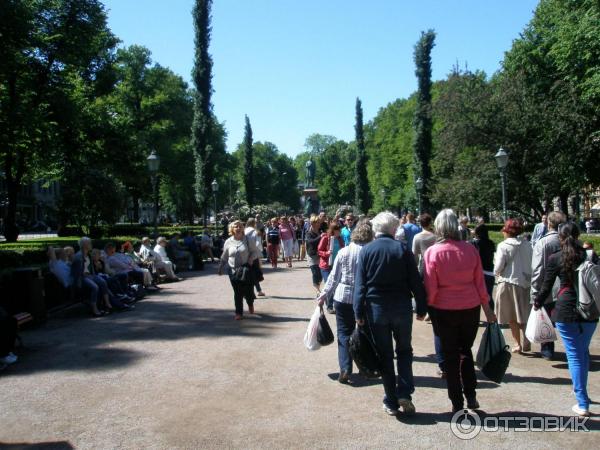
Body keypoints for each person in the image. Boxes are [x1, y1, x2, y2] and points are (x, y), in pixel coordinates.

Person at [423, 209, 496, 413]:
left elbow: (431, 286)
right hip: (470, 307)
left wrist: (428, 307)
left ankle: (457, 402)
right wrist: (487, 308)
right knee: (466, 351)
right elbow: (480, 283)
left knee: (450, 356)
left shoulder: (433, 252)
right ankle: (471, 395)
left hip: (444, 309)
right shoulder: (470, 249)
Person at [354, 212, 427, 416]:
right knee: (404, 351)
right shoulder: (402, 249)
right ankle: (404, 391)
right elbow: (415, 281)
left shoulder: (366, 251)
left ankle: (391, 401)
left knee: (385, 355)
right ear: (394, 229)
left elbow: (360, 285)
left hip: (376, 309)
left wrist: (358, 311)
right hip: (401, 307)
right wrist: (421, 307)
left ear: (376, 229)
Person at [533, 223, 597, 417]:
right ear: (578, 236)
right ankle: (580, 390)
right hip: (590, 311)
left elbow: (546, 285)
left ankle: (582, 401)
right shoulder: (590, 256)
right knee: (582, 352)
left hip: (565, 309)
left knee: (575, 355)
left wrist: (537, 302)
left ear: (560, 237)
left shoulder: (556, 258)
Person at [318, 223, 373, 384]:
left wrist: (323, 296)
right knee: (365, 333)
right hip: (364, 298)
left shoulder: (343, 252)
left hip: (343, 297)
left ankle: (345, 368)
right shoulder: (370, 252)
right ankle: (366, 367)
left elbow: (333, 278)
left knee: (343, 334)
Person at [530, 211, 566, 360]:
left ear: (548, 223)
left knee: (545, 320)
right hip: (566, 287)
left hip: (548, 288)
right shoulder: (571, 241)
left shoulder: (543, 242)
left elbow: (537, 269)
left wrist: (535, 291)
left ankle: (547, 349)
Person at [493, 219, 533, 353]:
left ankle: (517, 344)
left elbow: (498, 267)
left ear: (507, 231)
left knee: (511, 316)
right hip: (526, 283)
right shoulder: (528, 244)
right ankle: (527, 339)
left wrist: (496, 272)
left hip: (508, 282)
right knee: (524, 314)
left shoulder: (503, 246)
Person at [411, 213, 443, 376]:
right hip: (437, 265)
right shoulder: (436, 236)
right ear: (430, 223)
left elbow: (415, 255)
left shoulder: (417, 237)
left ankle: (424, 309)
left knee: (424, 290)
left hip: (424, 266)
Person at [219, 220, 261, 320]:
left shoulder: (247, 239)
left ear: (243, 228)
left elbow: (255, 252)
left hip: (246, 269)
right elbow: (224, 256)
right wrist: (220, 267)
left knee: (248, 291)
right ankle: (239, 313)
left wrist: (251, 259)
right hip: (232, 270)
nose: (238, 228)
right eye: (235, 226)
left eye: (240, 226)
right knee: (237, 291)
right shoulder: (228, 241)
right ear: (232, 229)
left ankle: (250, 303)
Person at [71, 237, 112, 316]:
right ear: (84, 245)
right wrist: (78, 286)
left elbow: (92, 268)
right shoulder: (78, 257)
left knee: (103, 282)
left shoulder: (88, 255)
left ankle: (107, 304)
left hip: (90, 275)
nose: (91, 245)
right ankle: (94, 309)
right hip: (83, 277)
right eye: (89, 243)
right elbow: (76, 274)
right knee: (95, 287)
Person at [318, 222, 344, 314]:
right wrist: (327, 253)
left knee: (336, 286)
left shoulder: (340, 239)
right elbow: (319, 250)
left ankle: (334, 304)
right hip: (326, 265)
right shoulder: (325, 238)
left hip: (337, 266)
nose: (340, 232)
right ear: (333, 230)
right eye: (338, 230)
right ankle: (329, 306)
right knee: (329, 285)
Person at [471, 224, 496, 310]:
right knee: (489, 297)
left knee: (475, 298)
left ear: (477, 232)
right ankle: (493, 320)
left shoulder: (474, 243)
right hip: (489, 273)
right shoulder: (491, 243)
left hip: (479, 273)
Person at [245, 218, 266, 297]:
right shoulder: (255, 232)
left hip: (244, 254)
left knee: (248, 274)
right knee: (255, 273)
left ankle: (252, 291)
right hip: (254, 255)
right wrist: (259, 253)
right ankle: (258, 291)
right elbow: (258, 245)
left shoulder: (243, 231)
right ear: (254, 224)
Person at [305, 215, 324, 295]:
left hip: (320, 255)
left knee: (320, 274)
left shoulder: (320, 232)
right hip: (312, 256)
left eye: (319, 222)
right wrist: (320, 237)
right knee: (315, 272)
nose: (319, 224)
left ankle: (318, 286)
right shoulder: (308, 233)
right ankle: (317, 289)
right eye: (317, 222)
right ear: (313, 223)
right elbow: (311, 242)